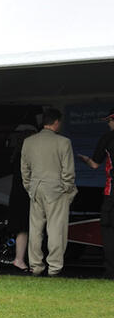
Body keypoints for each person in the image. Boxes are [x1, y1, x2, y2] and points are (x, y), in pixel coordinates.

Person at [20, 107, 77, 277]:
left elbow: (24, 169)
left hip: (36, 189)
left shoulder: (29, 142)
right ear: (57, 122)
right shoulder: (63, 142)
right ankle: (54, 267)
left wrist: (29, 187)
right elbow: (68, 171)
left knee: (35, 230)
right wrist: (67, 187)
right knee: (55, 230)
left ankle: (36, 266)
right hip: (56, 190)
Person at [78, 108, 114, 279]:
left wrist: (84, 159)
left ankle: (111, 272)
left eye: (109, 121)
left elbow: (94, 165)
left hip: (112, 192)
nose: (108, 124)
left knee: (108, 230)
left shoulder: (108, 138)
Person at [7, 124, 36, 272]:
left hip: (17, 196)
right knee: (25, 228)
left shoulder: (17, 154)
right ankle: (20, 259)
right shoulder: (26, 156)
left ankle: (20, 259)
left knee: (22, 229)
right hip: (24, 196)